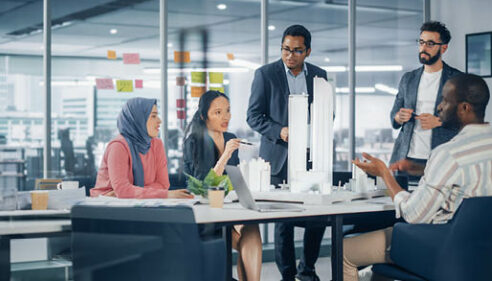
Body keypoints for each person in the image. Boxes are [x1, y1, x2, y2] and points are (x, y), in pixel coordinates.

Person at [344, 73, 492, 281]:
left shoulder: (448, 154)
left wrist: (385, 174)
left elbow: (414, 215)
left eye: (445, 101)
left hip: (440, 248)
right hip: (482, 252)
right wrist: (422, 169)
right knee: (377, 271)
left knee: (343, 251)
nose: (439, 107)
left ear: (464, 108)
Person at [246, 24, 328, 281]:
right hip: (279, 156)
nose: (289, 55)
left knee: (317, 217)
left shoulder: (319, 75)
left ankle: (308, 271)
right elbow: (253, 116)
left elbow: (328, 111)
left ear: (308, 51)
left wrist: (318, 126)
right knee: (284, 223)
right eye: (285, 49)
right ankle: (288, 275)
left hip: (311, 157)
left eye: (296, 50)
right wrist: (280, 131)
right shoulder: (265, 74)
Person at [183, 90, 262, 281]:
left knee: (251, 228)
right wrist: (225, 155)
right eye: (217, 112)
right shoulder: (195, 141)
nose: (225, 116)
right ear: (204, 116)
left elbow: (232, 178)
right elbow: (204, 187)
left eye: (227, 111)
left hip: (227, 209)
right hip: (204, 215)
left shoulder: (230, 137)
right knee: (245, 233)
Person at [389, 21, 461, 175]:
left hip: (440, 159)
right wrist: (398, 117)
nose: (423, 48)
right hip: (406, 158)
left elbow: (468, 121)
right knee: (401, 198)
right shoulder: (408, 79)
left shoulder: (457, 80)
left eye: (430, 44)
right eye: (421, 42)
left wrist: (440, 122)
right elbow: (394, 117)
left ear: (443, 48)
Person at [90, 97, 192, 199]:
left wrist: (128, 191)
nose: (159, 120)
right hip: (106, 206)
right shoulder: (118, 146)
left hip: (137, 203)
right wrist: (125, 191)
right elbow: (122, 190)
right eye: (153, 116)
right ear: (138, 119)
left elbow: (163, 184)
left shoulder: (157, 144)